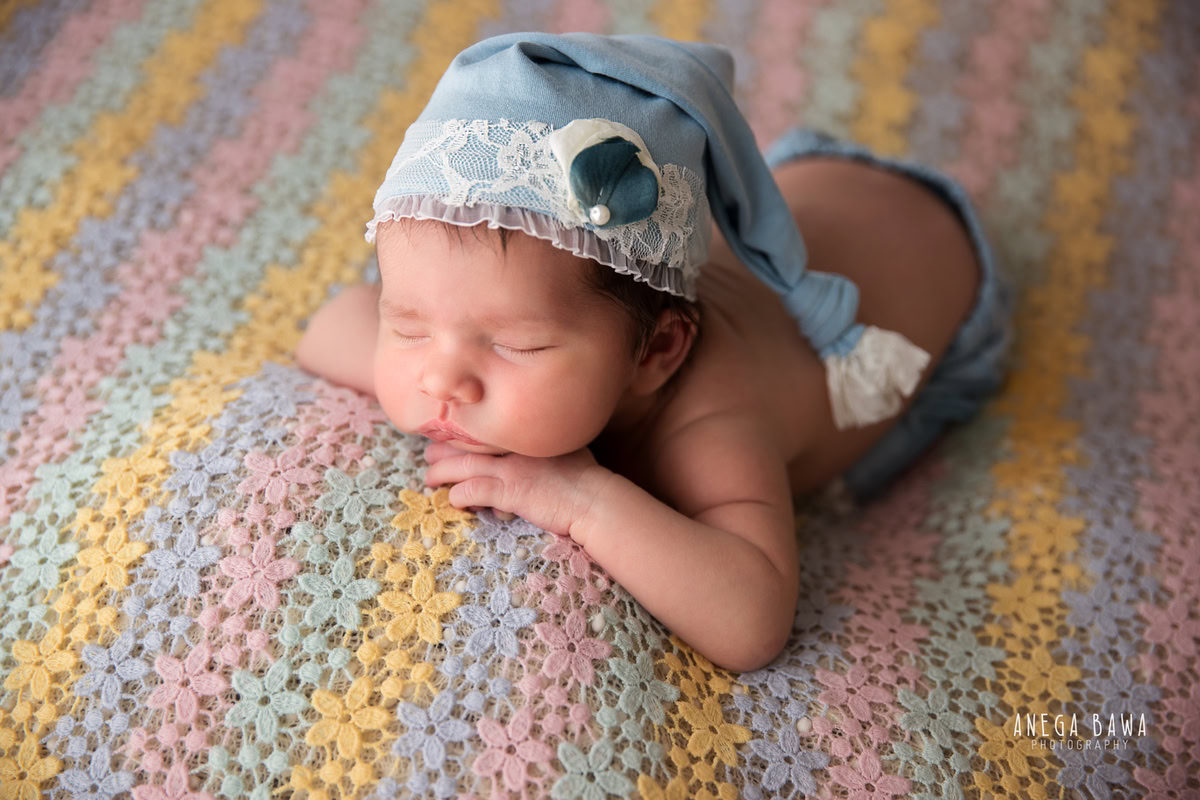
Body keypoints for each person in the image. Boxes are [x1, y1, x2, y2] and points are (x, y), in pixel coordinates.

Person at [295, 33, 1014, 672]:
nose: (443, 376)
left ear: (657, 352)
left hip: (935, 262)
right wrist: (409, 370)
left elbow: (752, 619)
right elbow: (330, 325)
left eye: (518, 345)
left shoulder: (710, 418)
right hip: (808, 190)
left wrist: (583, 499)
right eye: (410, 324)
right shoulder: (496, 312)